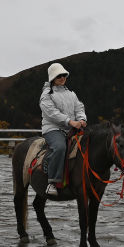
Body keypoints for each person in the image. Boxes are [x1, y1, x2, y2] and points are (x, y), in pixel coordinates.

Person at [39, 62, 86, 198]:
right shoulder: (46, 95)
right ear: (53, 77)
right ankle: (52, 182)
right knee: (60, 147)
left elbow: (79, 107)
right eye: (59, 75)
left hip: (72, 127)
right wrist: (70, 122)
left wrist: (82, 119)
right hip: (53, 129)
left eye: (64, 75)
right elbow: (52, 113)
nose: (62, 77)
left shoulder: (71, 94)